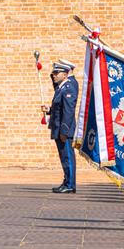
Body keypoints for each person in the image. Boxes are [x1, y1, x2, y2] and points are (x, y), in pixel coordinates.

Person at [41, 62, 78, 194]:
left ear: (65, 74)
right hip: (59, 128)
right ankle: (67, 180)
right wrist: (50, 110)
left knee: (68, 157)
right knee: (64, 157)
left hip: (64, 129)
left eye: (56, 73)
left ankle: (70, 184)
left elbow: (68, 111)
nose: (54, 76)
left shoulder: (69, 87)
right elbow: (59, 107)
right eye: (54, 73)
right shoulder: (62, 88)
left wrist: (64, 130)